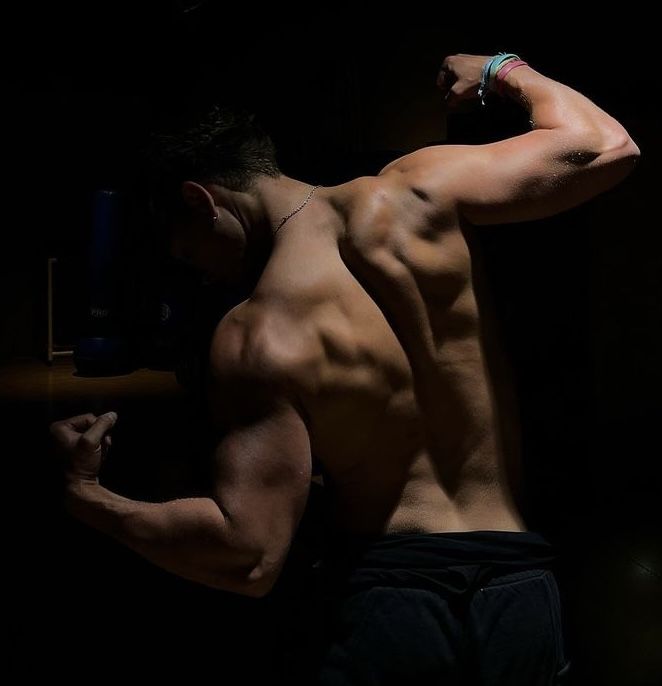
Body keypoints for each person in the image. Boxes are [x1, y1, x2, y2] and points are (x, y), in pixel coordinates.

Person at [51, 53, 639, 684]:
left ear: (201, 201)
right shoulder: (420, 190)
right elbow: (607, 146)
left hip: (395, 605)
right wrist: (498, 68)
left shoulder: (257, 333)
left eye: (185, 247)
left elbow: (248, 556)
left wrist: (90, 498)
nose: (198, 269)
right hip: (521, 592)